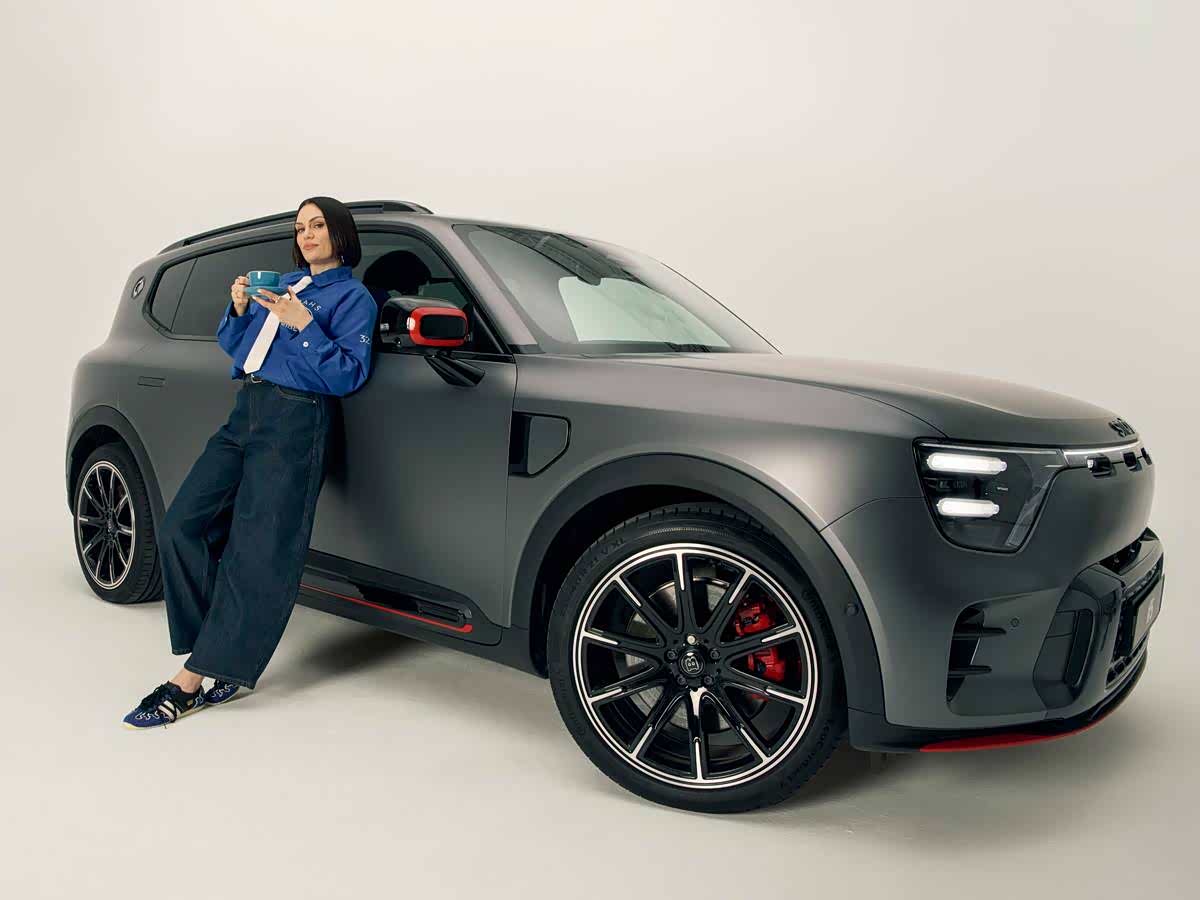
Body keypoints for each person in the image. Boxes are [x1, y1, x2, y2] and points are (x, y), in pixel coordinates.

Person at [123, 196, 379, 729]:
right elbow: (239, 349)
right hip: (248, 409)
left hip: (298, 417)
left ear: (341, 234)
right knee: (182, 526)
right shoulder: (284, 284)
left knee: (260, 550)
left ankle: (190, 681)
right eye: (301, 228)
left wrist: (303, 324)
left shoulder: (353, 297)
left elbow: (348, 375)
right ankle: (219, 652)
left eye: (318, 225)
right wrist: (239, 309)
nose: (308, 235)